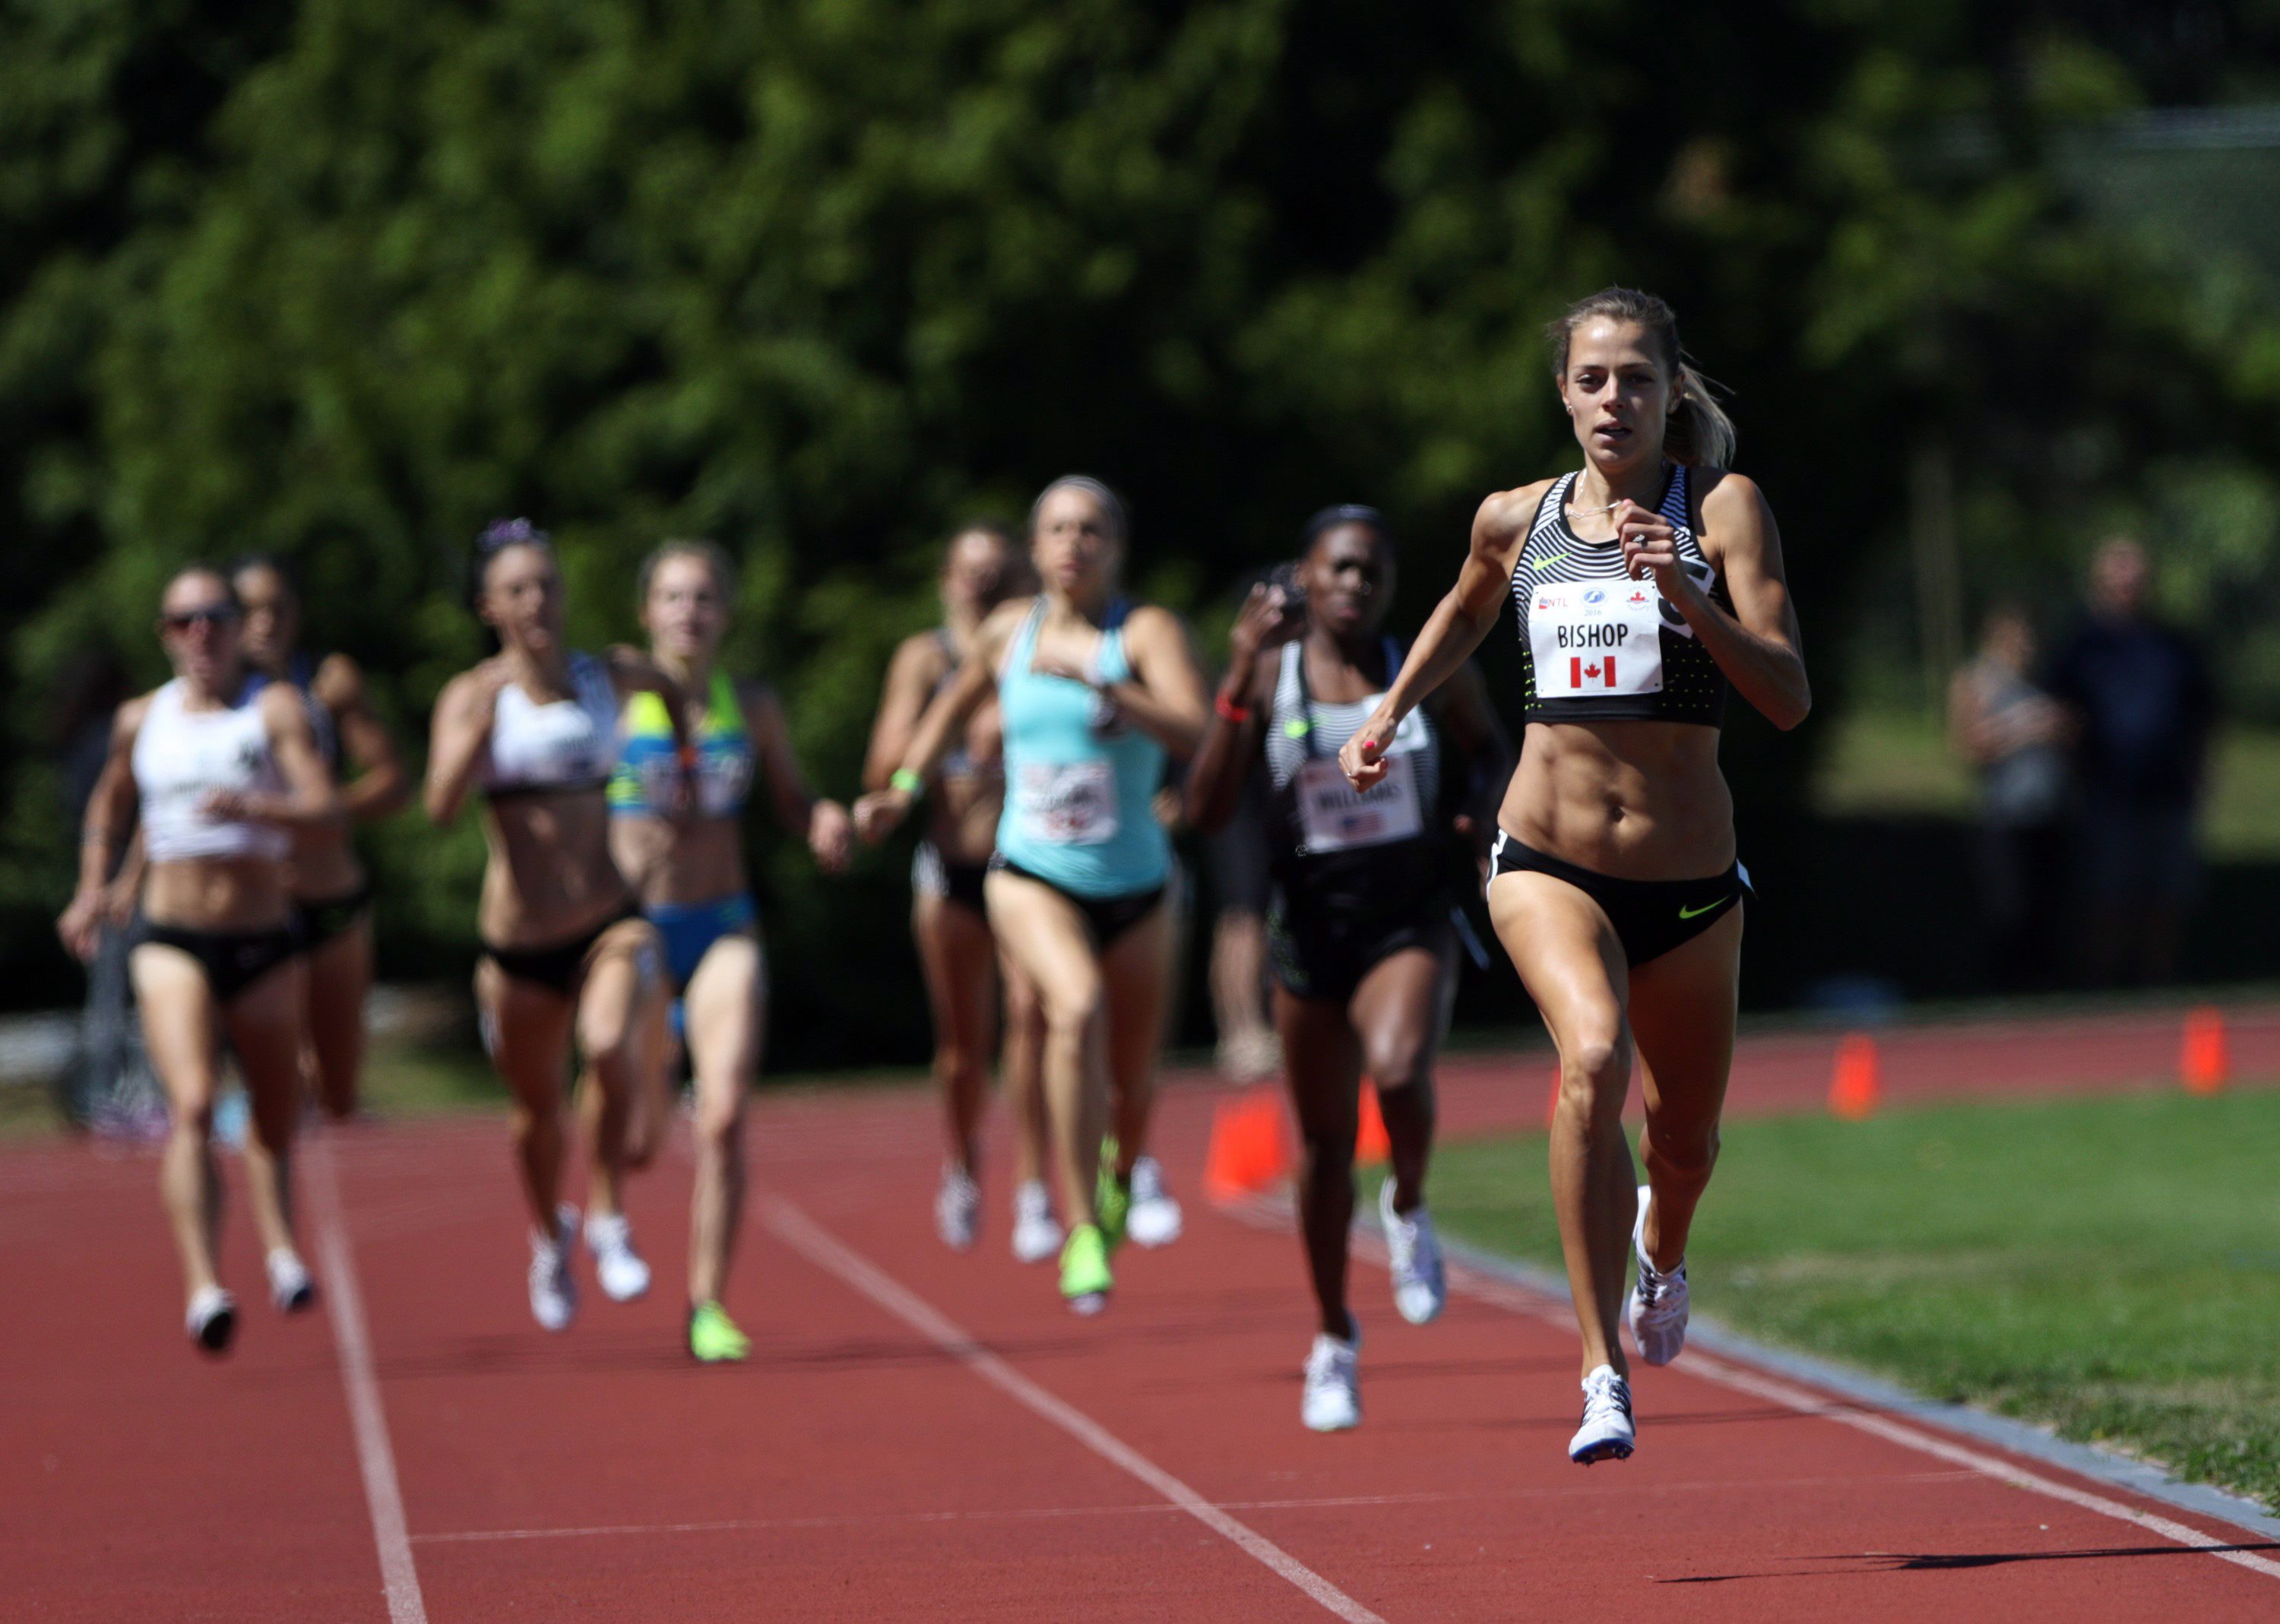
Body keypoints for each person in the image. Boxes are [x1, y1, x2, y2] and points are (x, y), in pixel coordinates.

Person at [1337, 289, 1809, 1464]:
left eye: (1637, 380)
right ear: (1564, 392)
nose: (1615, 400)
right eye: (1593, 380)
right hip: (1546, 859)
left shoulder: (1724, 509)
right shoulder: (1519, 515)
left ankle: (1664, 1250)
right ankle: (1600, 1369)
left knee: (1684, 1141)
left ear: (1670, 391)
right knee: (1591, 1055)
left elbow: (1790, 697)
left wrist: (1688, 591)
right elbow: (1462, 606)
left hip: (1690, 886)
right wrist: (1388, 712)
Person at [1187, 505, 1511, 1431]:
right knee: (1323, 1148)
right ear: (1306, 573)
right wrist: (1239, 677)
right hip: (1311, 933)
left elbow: (1491, 752)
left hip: (1408, 916)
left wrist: (1476, 815)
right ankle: (1333, 1336)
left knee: (1403, 1072)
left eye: (1370, 571)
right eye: (1337, 568)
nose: (1354, 586)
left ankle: (1408, 1201)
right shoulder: (1272, 673)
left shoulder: (1424, 659)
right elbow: (1210, 808)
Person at [856, 476, 1211, 1312]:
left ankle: (1124, 1173)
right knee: (1072, 1008)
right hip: (1030, 871)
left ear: (1115, 547)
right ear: (1037, 545)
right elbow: (946, 714)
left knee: (1132, 1073)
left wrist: (1108, 686)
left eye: (1089, 529)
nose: (1072, 543)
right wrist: (903, 788)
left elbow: (1200, 730)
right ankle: (1082, 1227)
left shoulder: (1146, 631)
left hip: (1139, 882)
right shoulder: (1008, 634)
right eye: (1056, 528)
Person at [58, 566, 340, 1352]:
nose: (202, 633)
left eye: (215, 616)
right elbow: (113, 802)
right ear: (166, 635)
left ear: (236, 625)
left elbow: (325, 805)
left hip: (262, 937)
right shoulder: (142, 719)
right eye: (184, 621)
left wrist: (258, 806)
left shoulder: (271, 709)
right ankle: (203, 1283)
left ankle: (281, 1242)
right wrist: (96, 888)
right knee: (189, 1103)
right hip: (172, 937)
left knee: (276, 1107)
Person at [424, 519, 686, 1334]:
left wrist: (678, 780)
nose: (537, 601)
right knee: (536, 1113)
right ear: (490, 607)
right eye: (517, 590)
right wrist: (481, 725)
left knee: (606, 1045)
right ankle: (549, 1235)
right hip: (518, 942)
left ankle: (607, 1209)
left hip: (608, 917)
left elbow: (677, 692)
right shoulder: (473, 696)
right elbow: (437, 808)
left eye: (547, 585)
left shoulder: (608, 675)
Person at [606, 539, 852, 1361]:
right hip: (635, 927)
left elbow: (790, 793)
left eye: (705, 598)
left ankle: (706, 1302)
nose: (690, 613)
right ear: (647, 612)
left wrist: (819, 817)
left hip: (722, 925)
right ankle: (605, 1202)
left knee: (722, 1114)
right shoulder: (612, 696)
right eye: (673, 598)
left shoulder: (750, 701)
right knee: (634, 1126)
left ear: (727, 612)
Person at [861, 524, 1056, 1259]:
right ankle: (966, 1160)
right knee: (963, 1048)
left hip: (1027, 863)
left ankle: (1034, 1186)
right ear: (945, 578)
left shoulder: (1040, 647)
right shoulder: (926, 657)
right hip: (950, 870)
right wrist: (949, 735)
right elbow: (882, 765)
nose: (982, 586)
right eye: (969, 573)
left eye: (998, 573)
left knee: (1032, 1022)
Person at [230, 556, 413, 1119]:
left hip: (329, 898)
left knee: (338, 1088)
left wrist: (326, 811)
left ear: (297, 614)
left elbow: (392, 781)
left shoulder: (329, 682)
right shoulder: (211, 699)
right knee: (277, 1083)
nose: (265, 622)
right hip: (250, 908)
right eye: (249, 610)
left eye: (277, 608)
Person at [2044, 538, 2215, 987]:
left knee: (2167, 896)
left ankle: (2156, 985)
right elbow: (2059, 713)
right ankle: (2102, 987)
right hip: (2106, 792)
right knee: (2107, 896)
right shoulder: (2081, 646)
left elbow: (2205, 716)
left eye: (2135, 577)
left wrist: (2201, 775)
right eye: (2118, 577)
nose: (2128, 586)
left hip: (2169, 789)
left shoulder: (2174, 645)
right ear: (2100, 582)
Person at [1948, 605, 2072, 990]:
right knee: (2006, 908)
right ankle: (1999, 985)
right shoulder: (1977, 681)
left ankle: (2041, 985)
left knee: (2046, 907)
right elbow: (1967, 745)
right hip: (2003, 813)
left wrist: (2059, 728)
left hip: (2046, 811)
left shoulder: (2045, 681)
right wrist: (2024, 731)